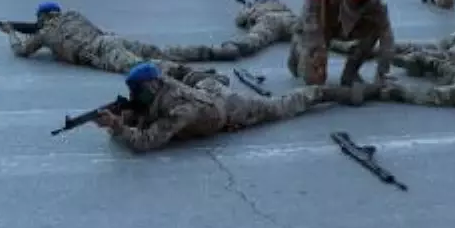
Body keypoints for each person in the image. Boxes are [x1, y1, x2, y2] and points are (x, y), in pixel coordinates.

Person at [93, 62, 370, 153]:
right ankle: (214, 78)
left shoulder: (180, 109)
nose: (134, 96)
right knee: (202, 80)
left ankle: (332, 93)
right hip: (204, 90)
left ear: (151, 87)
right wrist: (128, 114)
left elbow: (147, 142)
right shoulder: (158, 83)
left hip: (230, 108)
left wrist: (118, 126)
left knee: (282, 106)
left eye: (137, 92)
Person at [0, 3, 218, 74]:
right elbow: (96, 30)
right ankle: (216, 51)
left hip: (100, 51)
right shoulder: (73, 14)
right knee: (162, 50)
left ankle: (194, 75)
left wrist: (10, 31)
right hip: (111, 40)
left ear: (42, 17)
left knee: (144, 67)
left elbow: (21, 51)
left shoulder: (45, 34)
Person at [290, 0, 394, 87]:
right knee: (313, 80)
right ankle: (297, 53)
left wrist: (382, 73)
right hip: (321, 26)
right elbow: (309, 18)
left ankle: (351, 72)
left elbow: (387, 39)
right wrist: (318, 50)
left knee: (374, 29)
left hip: (347, 28)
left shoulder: (374, 4)